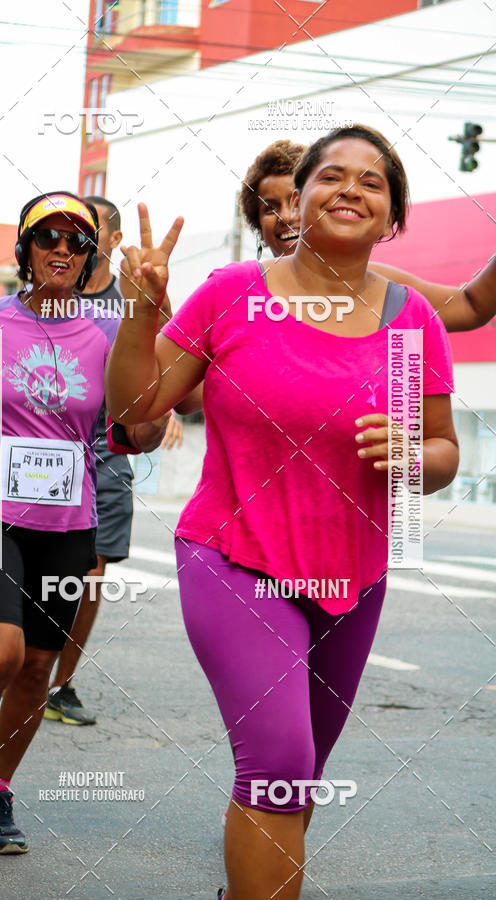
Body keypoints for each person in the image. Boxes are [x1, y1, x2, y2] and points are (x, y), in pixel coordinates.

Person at [105, 126, 459, 898]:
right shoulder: (235, 294)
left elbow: (442, 456)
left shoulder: (412, 323)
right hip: (235, 559)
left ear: (392, 215)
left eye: (373, 182)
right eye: (331, 175)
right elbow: (135, 413)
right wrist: (137, 313)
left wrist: (412, 454)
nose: (350, 189)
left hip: (353, 580)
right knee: (278, 768)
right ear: (296, 199)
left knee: (300, 781)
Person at [0, 191, 170, 854]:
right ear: (26, 250)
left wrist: (148, 320)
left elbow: (144, 426)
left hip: (69, 527)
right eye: (48, 237)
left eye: (77, 241)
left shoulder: (110, 332)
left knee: (37, 668)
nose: (62, 249)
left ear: (88, 259)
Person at [45, 195, 183, 725]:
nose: (69, 239)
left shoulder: (131, 297)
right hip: (47, 452)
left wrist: (162, 408)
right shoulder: (49, 290)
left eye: (85, 230)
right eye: (60, 231)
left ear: (111, 240)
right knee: (35, 569)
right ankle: (29, 659)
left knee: (93, 574)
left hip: (107, 451)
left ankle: (63, 682)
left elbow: (168, 354)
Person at [241, 139, 496, 332]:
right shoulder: (238, 295)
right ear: (257, 223)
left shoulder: (383, 289)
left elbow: (471, 306)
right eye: (270, 208)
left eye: (294, 201)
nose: (287, 216)